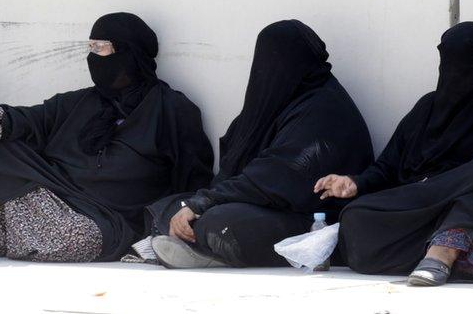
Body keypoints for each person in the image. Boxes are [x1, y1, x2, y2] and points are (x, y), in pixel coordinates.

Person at [0, 12, 213, 263]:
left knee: (79, 237)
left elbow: (192, 176)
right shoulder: (82, 102)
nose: (93, 57)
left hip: (107, 217)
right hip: (53, 190)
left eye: (101, 49)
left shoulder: (173, 110)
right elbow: (32, 119)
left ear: (129, 53)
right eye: (90, 48)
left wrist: (177, 218)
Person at [316, 22, 473, 286]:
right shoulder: (427, 109)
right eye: (450, 62)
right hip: (427, 205)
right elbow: (388, 167)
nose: (458, 73)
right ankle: (469, 255)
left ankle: (445, 251)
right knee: (356, 217)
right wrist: (356, 182)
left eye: (469, 63)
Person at [147, 20, 374, 268]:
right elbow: (234, 166)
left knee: (221, 222)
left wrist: (204, 203)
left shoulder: (324, 109)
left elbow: (275, 177)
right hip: (261, 201)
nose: (266, 68)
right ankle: (198, 246)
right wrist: (197, 203)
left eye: (276, 59)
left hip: (309, 216)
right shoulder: (275, 103)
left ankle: (202, 248)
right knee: (169, 206)